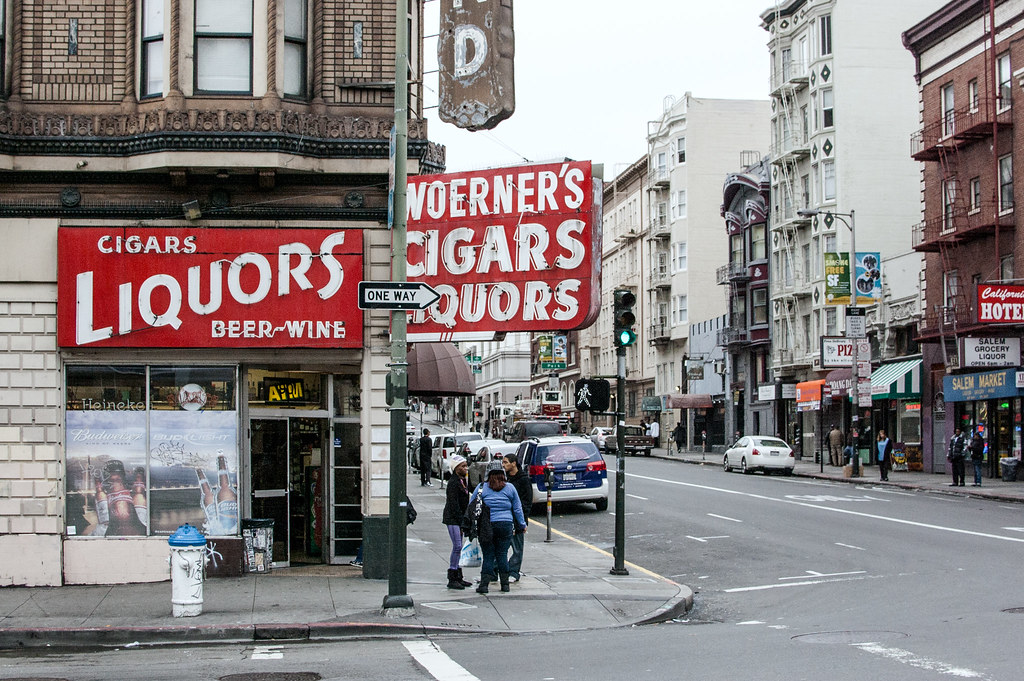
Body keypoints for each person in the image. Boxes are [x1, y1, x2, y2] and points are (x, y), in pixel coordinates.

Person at [470, 461, 526, 594]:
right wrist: (522, 524)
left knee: (488, 555)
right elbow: (517, 509)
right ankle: (505, 585)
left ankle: (484, 586)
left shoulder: (482, 487)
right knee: (502, 554)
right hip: (505, 524)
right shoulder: (510, 488)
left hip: (486, 525)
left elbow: (472, 504)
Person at [442, 455, 473, 589]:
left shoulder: (463, 481)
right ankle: (453, 575)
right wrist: (461, 521)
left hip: (460, 518)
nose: (465, 468)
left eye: (466, 465)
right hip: (453, 519)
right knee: (457, 546)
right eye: (462, 466)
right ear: (456, 468)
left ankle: (458, 575)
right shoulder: (454, 483)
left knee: (459, 547)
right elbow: (453, 503)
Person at [502, 453, 533, 582]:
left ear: (514, 463)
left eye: (506, 462)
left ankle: (513, 572)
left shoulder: (523, 479)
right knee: (501, 546)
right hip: (505, 518)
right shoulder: (505, 479)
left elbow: (527, 500)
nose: (503, 465)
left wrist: (521, 518)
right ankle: (497, 569)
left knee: (517, 548)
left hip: (517, 518)